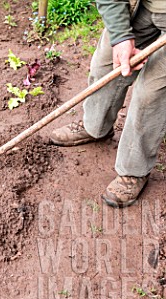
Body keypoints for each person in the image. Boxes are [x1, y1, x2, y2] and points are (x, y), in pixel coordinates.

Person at [50, 0, 166, 208]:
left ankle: (133, 169)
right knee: (105, 64)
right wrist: (121, 36)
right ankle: (96, 127)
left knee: (151, 93)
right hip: (142, 6)